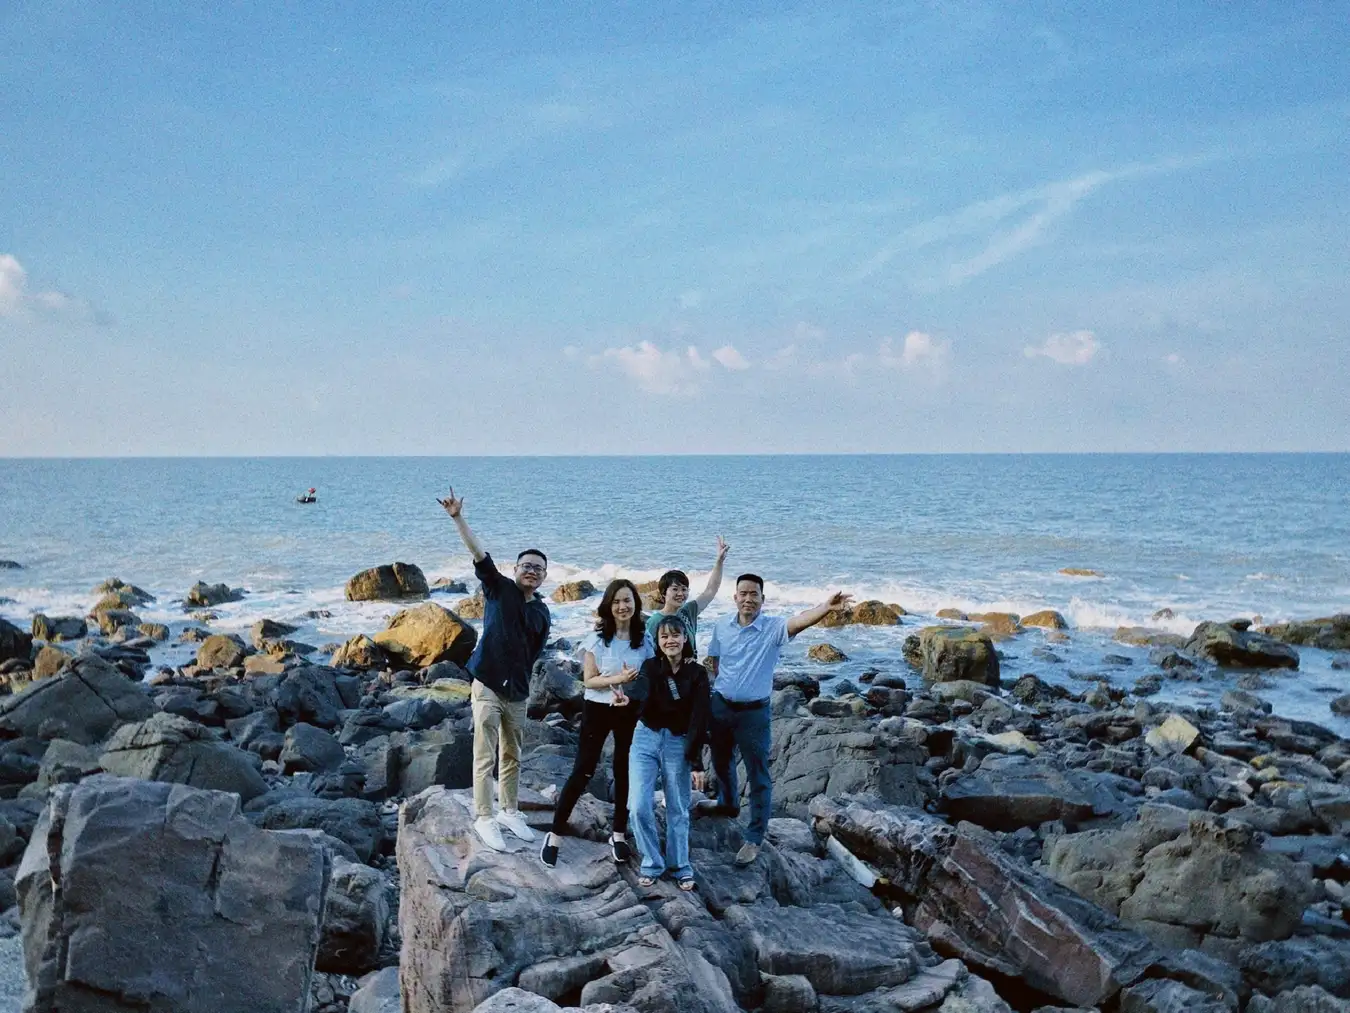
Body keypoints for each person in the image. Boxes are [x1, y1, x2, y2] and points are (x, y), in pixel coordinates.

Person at [705, 575, 851, 866]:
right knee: (720, 761)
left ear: (762, 599)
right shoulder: (721, 625)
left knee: (758, 774)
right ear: (735, 597)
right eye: (743, 593)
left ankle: (754, 836)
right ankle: (728, 804)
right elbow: (715, 662)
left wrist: (825, 607)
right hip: (720, 706)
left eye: (754, 594)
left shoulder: (772, 628)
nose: (748, 598)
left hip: (754, 713)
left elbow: (799, 621)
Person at [439, 486, 551, 852]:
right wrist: (458, 518)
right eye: (526, 566)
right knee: (485, 752)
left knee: (513, 754)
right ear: (515, 569)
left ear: (544, 576)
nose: (531, 571)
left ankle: (510, 810)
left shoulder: (542, 612)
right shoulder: (498, 588)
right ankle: (484, 816)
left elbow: (533, 652)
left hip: (517, 691)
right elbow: (478, 553)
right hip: (487, 683)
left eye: (538, 568)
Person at [540, 578, 652, 868]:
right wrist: (619, 680)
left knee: (623, 769)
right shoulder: (597, 639)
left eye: (628, 600)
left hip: (629, 709)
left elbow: (651, 677)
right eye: (616, 601)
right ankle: (554, 834)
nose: (623, 606)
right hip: (598, 708)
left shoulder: (644, 640)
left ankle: (618, 835)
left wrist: (633, 691)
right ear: (608, 606)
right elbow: (589, 680)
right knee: (584, 769)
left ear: (635, 604)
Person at [626, 614, 711, 889]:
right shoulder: (651, 667)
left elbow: (699, 718)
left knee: (678, 807)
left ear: (685, 638)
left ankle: (680, 865)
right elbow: (641, 693)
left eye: (675, 635)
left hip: (678, 742)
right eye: (664, 636)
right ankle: (652, 862)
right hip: (645, 738)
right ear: (658, 641)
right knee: (638, 806)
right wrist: (626, 698)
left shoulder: (697, 674)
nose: (670, 640)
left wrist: (696, 761)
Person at [643, 535, 730, 655]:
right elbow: (647, 652)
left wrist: (719, 561)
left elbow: (711, 589)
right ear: (663, 593)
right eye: (675, 589)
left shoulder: (688, 611)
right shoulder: (654, 621)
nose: (681, 594)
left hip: (690, 672)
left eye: (684, 589)